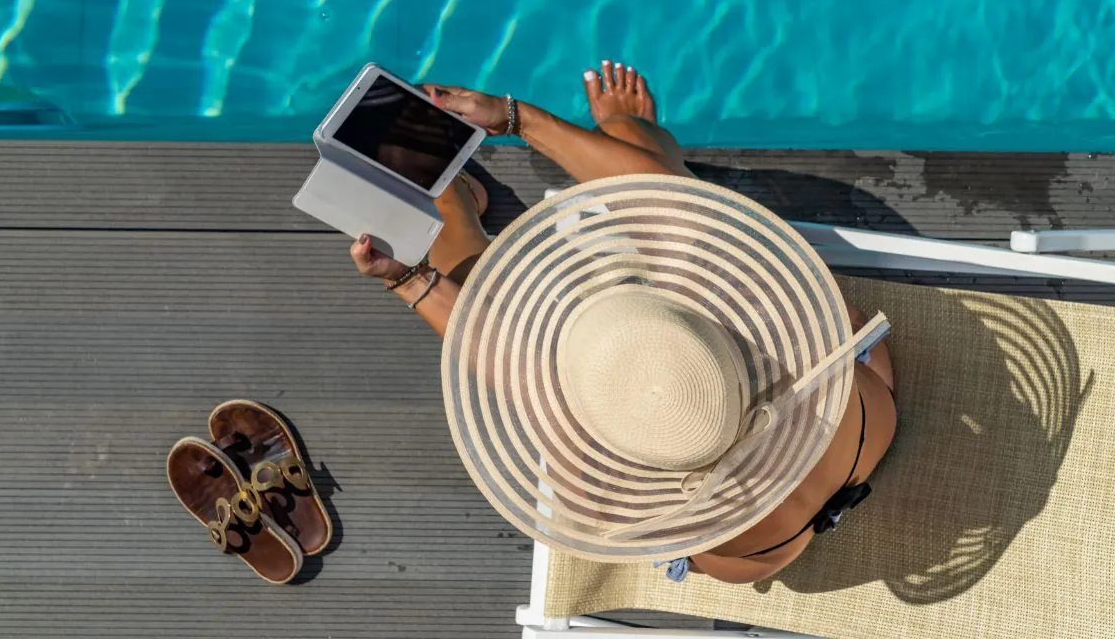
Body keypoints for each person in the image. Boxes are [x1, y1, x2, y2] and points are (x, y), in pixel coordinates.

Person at [349, 61, 897, 583]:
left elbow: (501, 351)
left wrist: (406, 280)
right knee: (667, 187)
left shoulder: (597, 469)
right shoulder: (773, 316)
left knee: (481, 285)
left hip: (752, 550)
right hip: (868, 418)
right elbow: (672, 202)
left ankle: (454, 204)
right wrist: (519, 118)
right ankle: (626, 132)